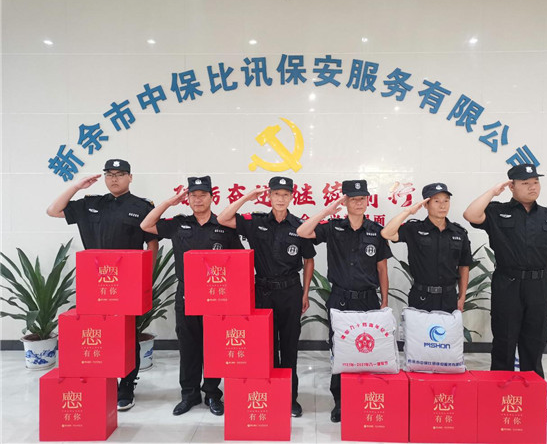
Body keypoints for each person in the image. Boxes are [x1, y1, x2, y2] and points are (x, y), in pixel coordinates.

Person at [463, 164, 547, 423]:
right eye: (525, 183)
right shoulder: (497, 212)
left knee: (534, 345)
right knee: (504, 342)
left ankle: (534, 399)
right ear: (511, 186)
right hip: (508, 284)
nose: (532, 187)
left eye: (535, 181)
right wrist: (493, 191)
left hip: (539, 286)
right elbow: (470, 214)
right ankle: (496, 397)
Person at [46, 158, 158, 411]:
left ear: (130, 177)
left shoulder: (141, 207)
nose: (114, 179)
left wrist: (145, 279)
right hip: (94, 282)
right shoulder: (91, 203)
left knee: (127, 334)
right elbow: (53, 210)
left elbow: (152, 244)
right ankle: (99, 382)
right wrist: (77, 187)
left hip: (126, 283)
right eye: (109, 174)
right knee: (96, 333)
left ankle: (127, 385)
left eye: (120, 174)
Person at [140, 176, 242, 417]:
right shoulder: (179, 224)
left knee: (214, 346)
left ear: (211, 198)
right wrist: (169, 202)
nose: (197, 199)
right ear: (187, 199)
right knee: (188, 346)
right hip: (187, 293)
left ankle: (213, 394)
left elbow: (239, 261)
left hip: (216, 296)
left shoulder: (224, 225)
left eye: (202, 195)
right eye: (193, 195)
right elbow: (146, 225)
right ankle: (189, 394)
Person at [217, 176, 315, 418]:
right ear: (269, 196)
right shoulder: (256, 222)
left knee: (289, 347)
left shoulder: (299, 226)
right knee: (265, 348)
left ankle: (290, 398)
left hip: (290, 292)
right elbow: (223, 219)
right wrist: (247, 197)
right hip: (262, 292)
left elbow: (308, 260)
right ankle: (270, 393)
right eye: (276, 194)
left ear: (291, 197)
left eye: (285, 195)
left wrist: (305, 293)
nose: (280, 199)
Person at [296, 179, 391, 423]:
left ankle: (364, 396)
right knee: (340, 350)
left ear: (368, 201)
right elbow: (303, 232)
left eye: (363, 198)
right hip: (340, 298)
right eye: (354, 199)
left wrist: (384, 300)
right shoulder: (333, 227)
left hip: (368, 300)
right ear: (345, 202)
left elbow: (382, 269)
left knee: (367, 349)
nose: (359, 203)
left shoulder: (376, 231)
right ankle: (339, 401)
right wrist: (328, 211)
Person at [381, 182, 472, 313]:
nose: (442, 205)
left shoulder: (459, 233)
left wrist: (462, 297)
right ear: (426, 204)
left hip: (449, 298)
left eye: (446, 201)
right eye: (436, 201)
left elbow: (464, 266)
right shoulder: (414, 229)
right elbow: (387, 233)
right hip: (421, 298)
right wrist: (408, 211)